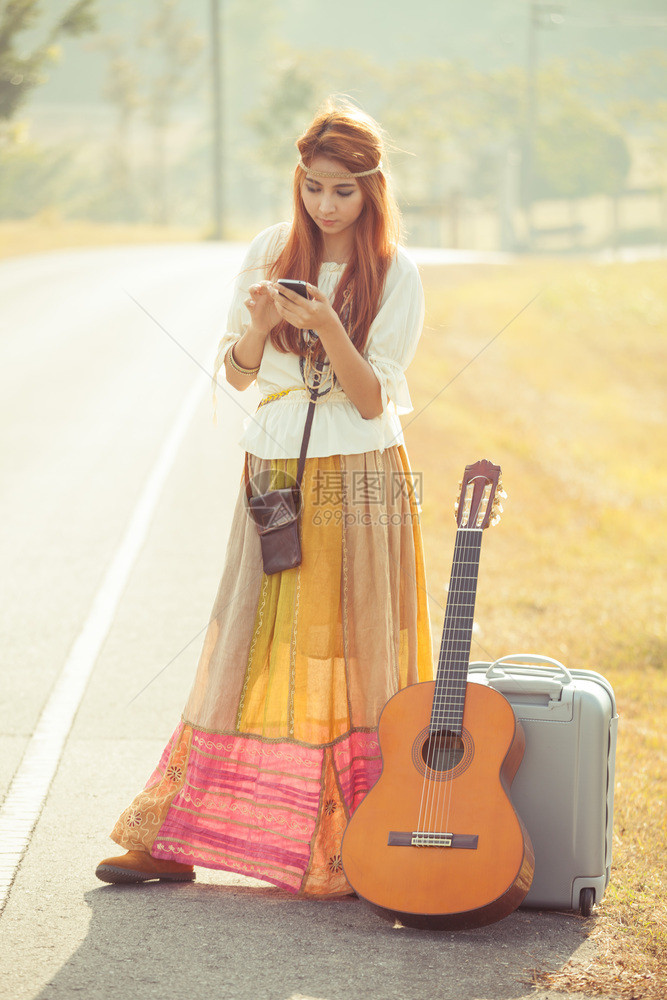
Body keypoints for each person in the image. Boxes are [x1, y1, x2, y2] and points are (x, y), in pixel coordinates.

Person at [96, 98, 433, 897]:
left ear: (372, 190)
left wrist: (331, 330)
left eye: (344, 190)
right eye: (314, 186)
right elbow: (239, 372)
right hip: (272, 468)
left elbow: (370, 401)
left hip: (359, 474)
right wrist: (256, 324)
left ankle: (367, 836)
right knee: (246, 640)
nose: (325, 204)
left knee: (354, 647)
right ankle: (174, 832)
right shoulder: (266, 250)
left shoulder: (397, 274)